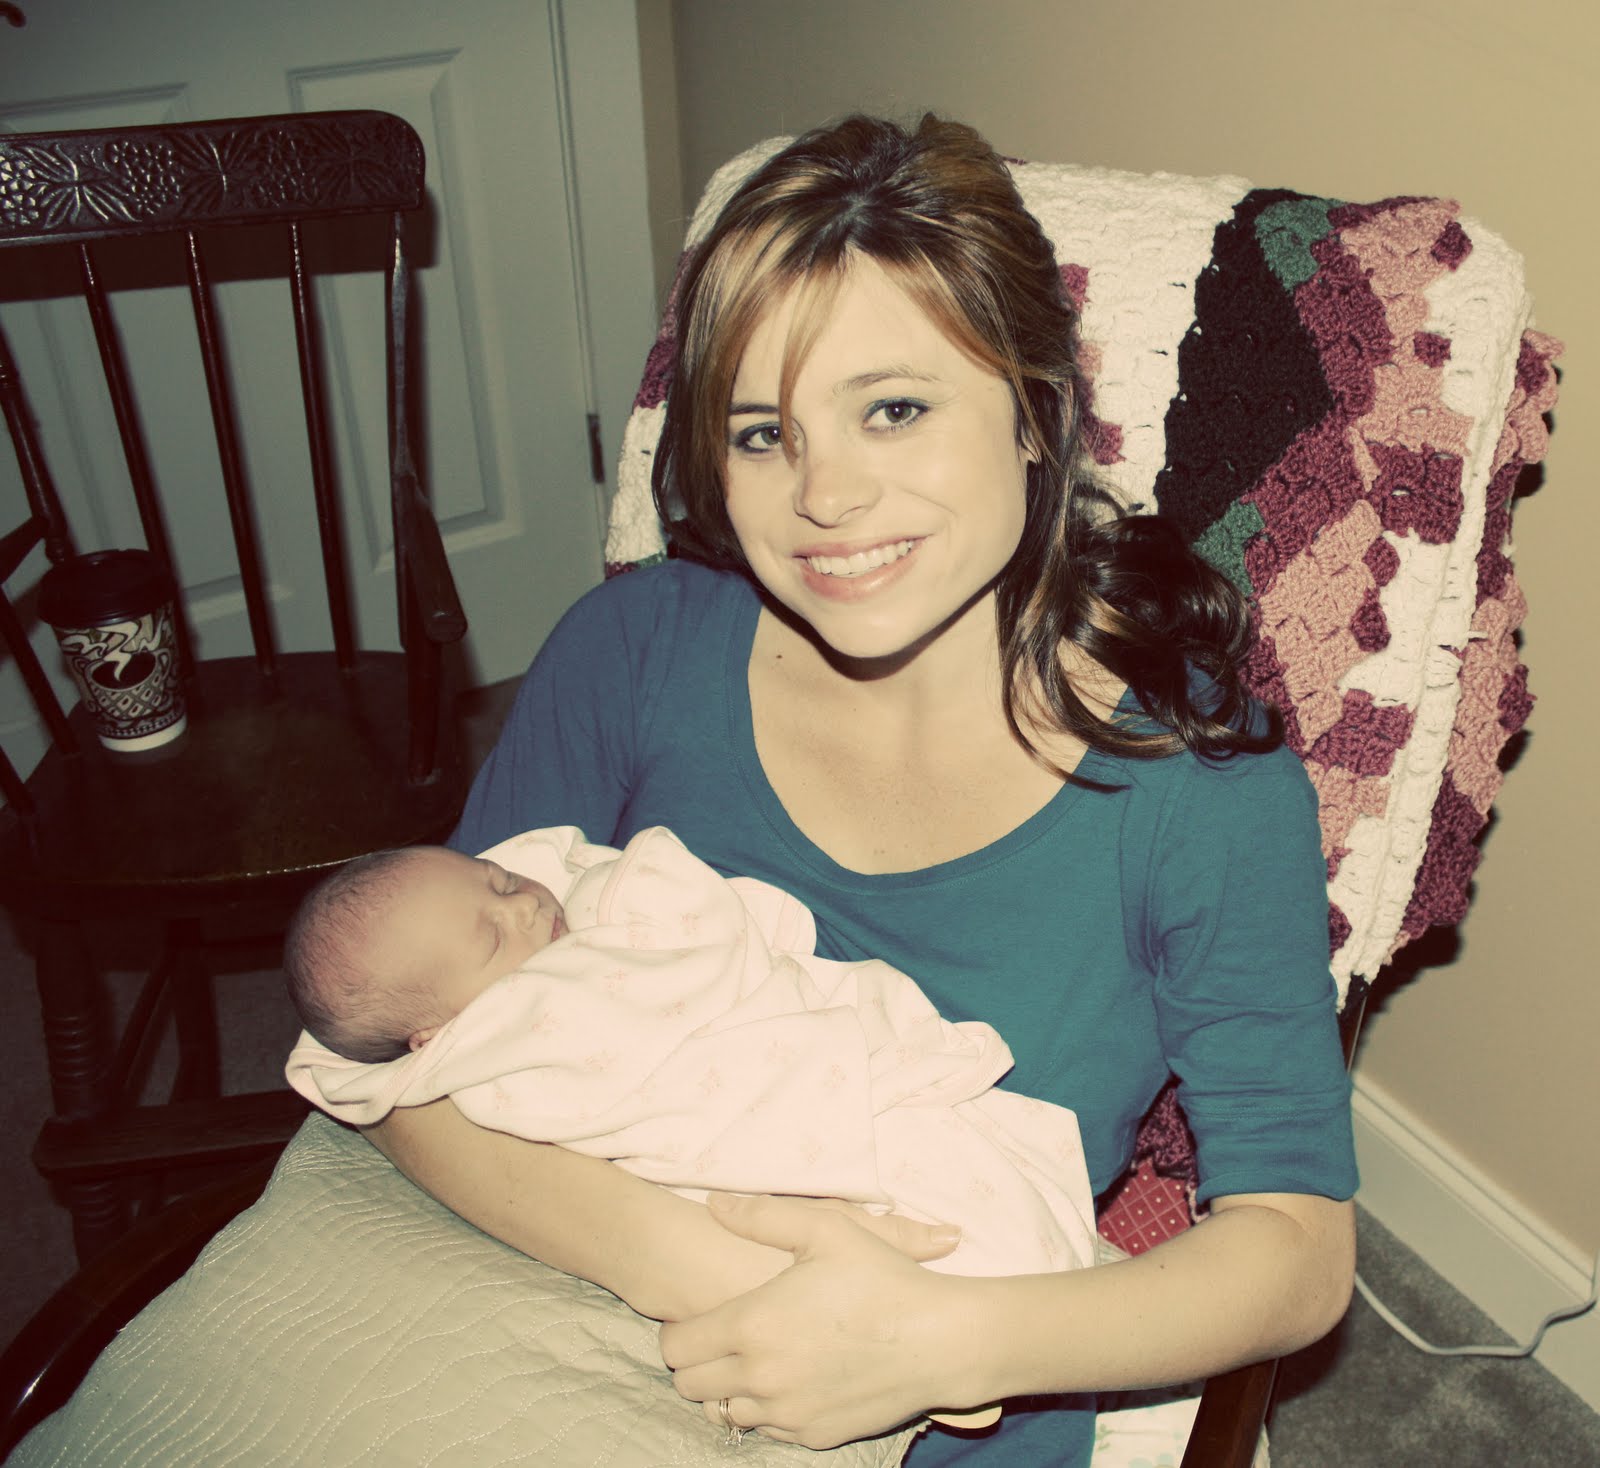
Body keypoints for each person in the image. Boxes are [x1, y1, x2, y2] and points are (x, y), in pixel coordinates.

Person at [362, 112, 1357, 1466]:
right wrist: (715, 1277)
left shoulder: (1198, 789)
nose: (823, 496)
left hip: (947, 1389)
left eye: (893, 409)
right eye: (761, 433)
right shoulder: (632, 652)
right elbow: (407, 1052)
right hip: (535, 1294)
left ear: (1034, 411)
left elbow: (1295, 1251)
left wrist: (939, 1341)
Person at [282, 823, 1098, 1289]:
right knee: (962, 1225)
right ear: (434, 1038)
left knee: (980, 1206)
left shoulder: (569, 911)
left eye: (500, 881)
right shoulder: (500, 1048)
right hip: (766, 1135)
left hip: (810, 1078)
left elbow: (692, 935)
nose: (526, 907)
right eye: (492, 938)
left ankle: (1032, 1293)